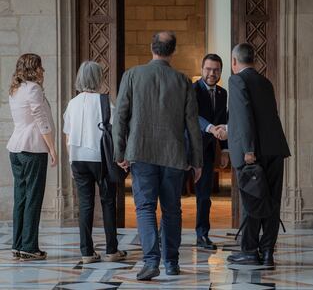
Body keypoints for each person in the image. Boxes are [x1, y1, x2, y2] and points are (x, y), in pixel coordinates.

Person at [112, 31, 203, 280]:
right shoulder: (183, 81)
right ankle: (171, 262)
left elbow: (119, 117)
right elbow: (192, 124)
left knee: (145, 208)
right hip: (174, 155)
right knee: (172, 210)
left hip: (141, 153)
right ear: (173, 51)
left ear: (151, 47)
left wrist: (119, 152)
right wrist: (197, 161)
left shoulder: (131, 75)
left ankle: (151, 261)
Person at [225, 43, 290, 266]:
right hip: (275, 149)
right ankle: (268, 252)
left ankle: (250, 251)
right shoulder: (265, 82)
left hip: (254, 153)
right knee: (271, 201)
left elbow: (243, 116)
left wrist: (248, 149)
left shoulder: (236, 80)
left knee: (252, 200)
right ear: (253, 60)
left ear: (234, 61)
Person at [63, 61, 126, 264]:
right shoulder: (105, 103)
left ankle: (87, 252)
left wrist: (71, 162)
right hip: (100, 159)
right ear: (99, 78)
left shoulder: (72, 103)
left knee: (85, 204)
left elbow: (67, 136)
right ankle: (111, 250)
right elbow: (116, 134)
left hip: (78, 159)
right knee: (108, 202)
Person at [7, 53, 57, 261]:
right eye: (40, 66)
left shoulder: (15, 89)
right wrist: (52, 148)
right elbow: (40, 119)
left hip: (16, 149)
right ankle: (30, 247)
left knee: (21, 197)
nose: (42, 70)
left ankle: (18, 244)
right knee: (33, 198)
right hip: (33, 148)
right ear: (33, 68)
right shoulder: (33, 89)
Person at [193, 54, 229, 250]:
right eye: (208, 69)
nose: (211, 73)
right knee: (171, 195)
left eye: (216, 70)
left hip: (207, 151)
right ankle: (164, 235)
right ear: (202, 69)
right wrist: (211, 128)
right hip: (187, 149)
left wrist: (225, 149)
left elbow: (223, 118)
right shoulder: (192, 90)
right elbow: (193, 115)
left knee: (204, 196)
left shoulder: (223, 93)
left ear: (220, 72)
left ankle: (202, 235)